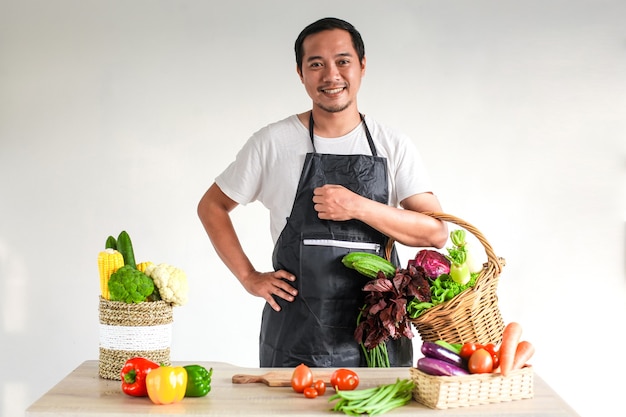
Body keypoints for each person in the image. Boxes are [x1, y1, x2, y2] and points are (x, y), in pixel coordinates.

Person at [197, 17, 448, 368]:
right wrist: (248, 277)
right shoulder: (272, 142)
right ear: (301, 73)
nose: (331, 75)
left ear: (362, 66)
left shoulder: (393, 145)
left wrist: (359, 206)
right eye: (316, 64)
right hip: (296, 337)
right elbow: (212, 205)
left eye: (343, 61)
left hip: (378, 334)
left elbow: (435, 232)